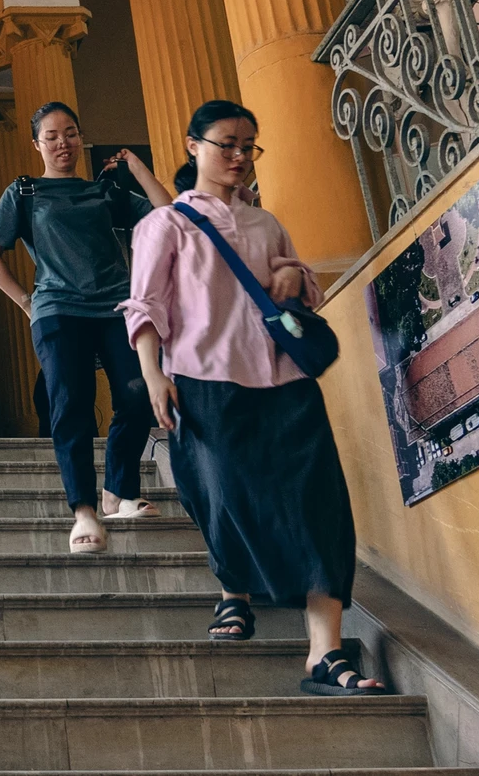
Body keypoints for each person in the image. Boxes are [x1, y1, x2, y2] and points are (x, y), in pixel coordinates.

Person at [120, 100, 389, 696]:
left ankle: (326, 654)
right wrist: (155, 374)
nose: (240, 157)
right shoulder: (166, 226)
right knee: (227, 499)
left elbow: (303, 291)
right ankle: (233, 594)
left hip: (287, 382)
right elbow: (146, 307)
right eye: (227, 144)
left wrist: (294, 277)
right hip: (205, 382)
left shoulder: (266, 224)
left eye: (249, 146)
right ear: (193, 146)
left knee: (320, 507)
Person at [0, 103, 172, 554]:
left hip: (117, 307)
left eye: (70, 133)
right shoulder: (23, 192)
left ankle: (118, 492)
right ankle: (84, 510)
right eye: (51, 135)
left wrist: (137, 168)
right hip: (58, 309)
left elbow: (167, 216)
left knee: (138, 394)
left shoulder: (103, 192)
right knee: (72, 406)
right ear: (37, 145)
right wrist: (26, 302)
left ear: (80, 138)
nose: (62, 142)